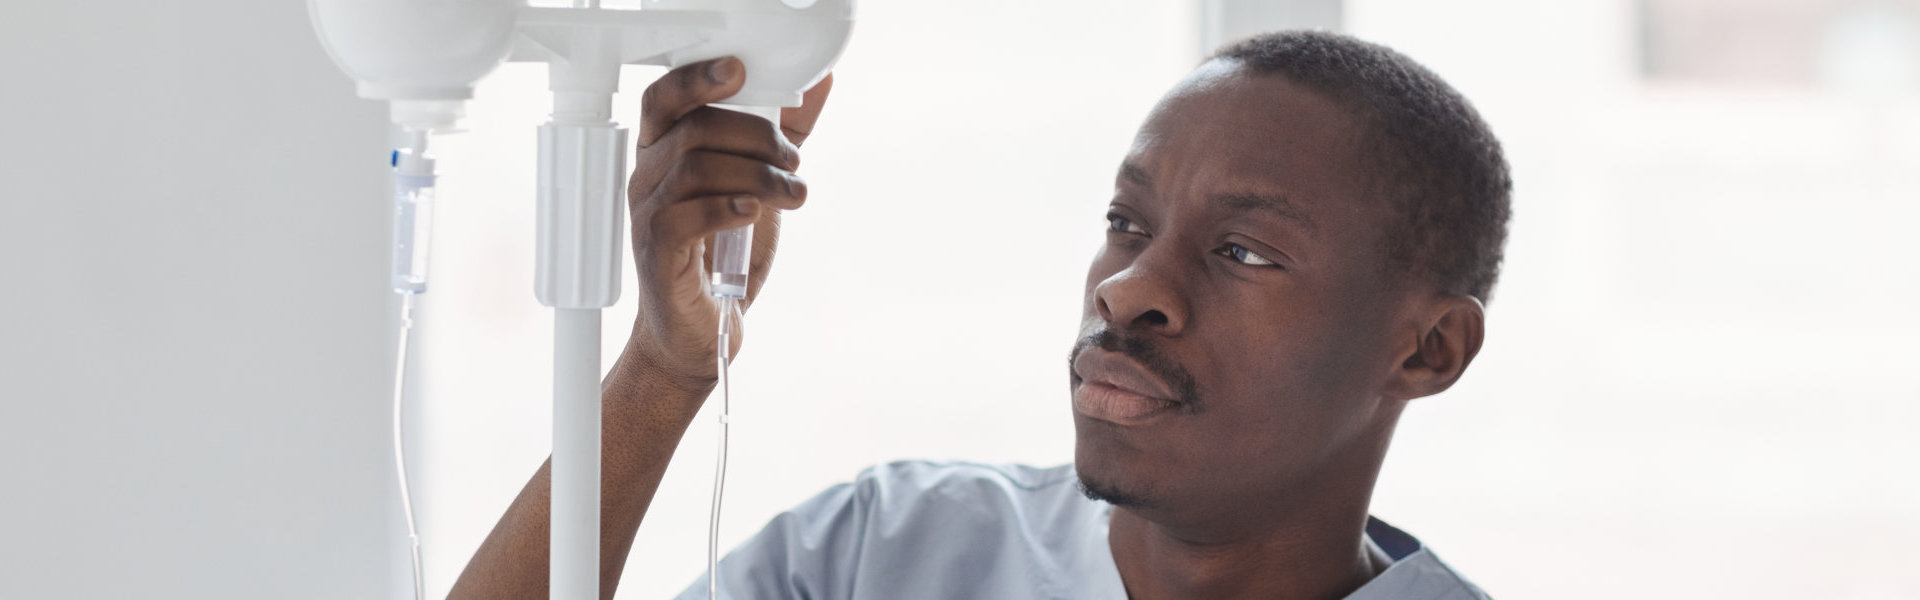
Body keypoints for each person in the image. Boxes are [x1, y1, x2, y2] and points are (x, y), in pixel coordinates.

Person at [449, 29, 1510, 600]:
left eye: (1243, 251)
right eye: (1125, 222)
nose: (1128, 288)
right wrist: (662, 369)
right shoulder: (887, 553)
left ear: (1426, 349)